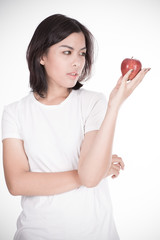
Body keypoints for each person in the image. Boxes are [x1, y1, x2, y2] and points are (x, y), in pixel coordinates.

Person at [1, 14, 150, 240]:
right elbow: (17, 183)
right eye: (67, 52)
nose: (78, 62)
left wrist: (114, 106)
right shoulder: (14, 112)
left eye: (82, 53)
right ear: (41, 55)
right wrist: (98, 169)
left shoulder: (93, 102)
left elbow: (90, 178)